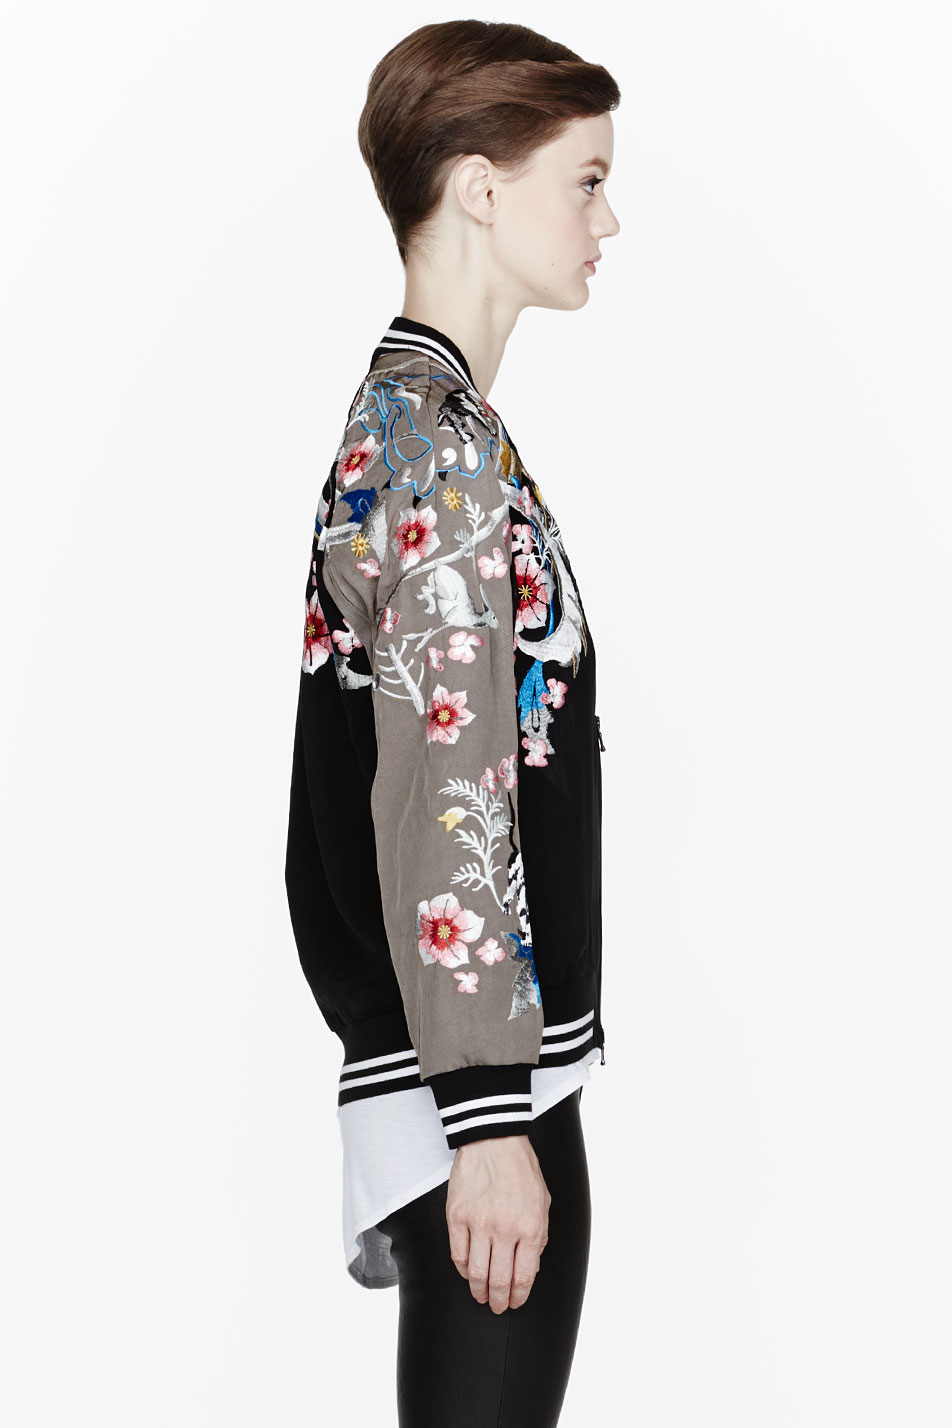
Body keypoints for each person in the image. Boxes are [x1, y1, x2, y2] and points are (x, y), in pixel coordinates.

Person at [284, 18, 620, 1426]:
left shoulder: (422, 426)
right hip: (475, 1095)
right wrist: (487, 1121)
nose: (609, 221)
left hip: (468, 1075)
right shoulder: (437, 449)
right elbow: (443, 790)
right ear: (482, 188)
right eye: (587, 181)